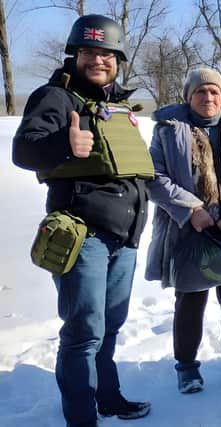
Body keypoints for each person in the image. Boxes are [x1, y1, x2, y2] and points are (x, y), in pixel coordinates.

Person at [12, 14, 151, 427]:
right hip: (81, 234)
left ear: (118, 59)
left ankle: (108, 397)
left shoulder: (115, 104)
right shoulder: (55, 98)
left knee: (107, 328)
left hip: (123, 236)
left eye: (107, 54)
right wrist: (64, 143)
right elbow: (24, 151)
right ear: (75, 55)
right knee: (83, 332)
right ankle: (80, 417)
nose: (98, 60)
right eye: (89, 52)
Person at [145, 68, 221, 393]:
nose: (208, 98)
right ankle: (186, 367)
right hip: (189, 231)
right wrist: (192, 210)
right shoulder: (168, 130)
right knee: (189, 302)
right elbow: (153, 177)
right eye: (201, 92)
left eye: (215, 91)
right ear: (188, 96)